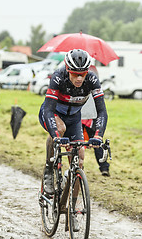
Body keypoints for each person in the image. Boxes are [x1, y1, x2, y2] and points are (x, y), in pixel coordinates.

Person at [39, 49, 108, 196]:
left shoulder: (92, 79)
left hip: (74, 118)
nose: (79, 78)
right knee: (60, 128)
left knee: (80, 160)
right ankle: (49, 169)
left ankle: (74, 211)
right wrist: (56, 135)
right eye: (75, 74)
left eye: (82, 74)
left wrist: (98, 136)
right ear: (67, 70)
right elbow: (49, 110)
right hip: (53, 114)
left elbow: (101, 111)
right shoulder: (58, 77)